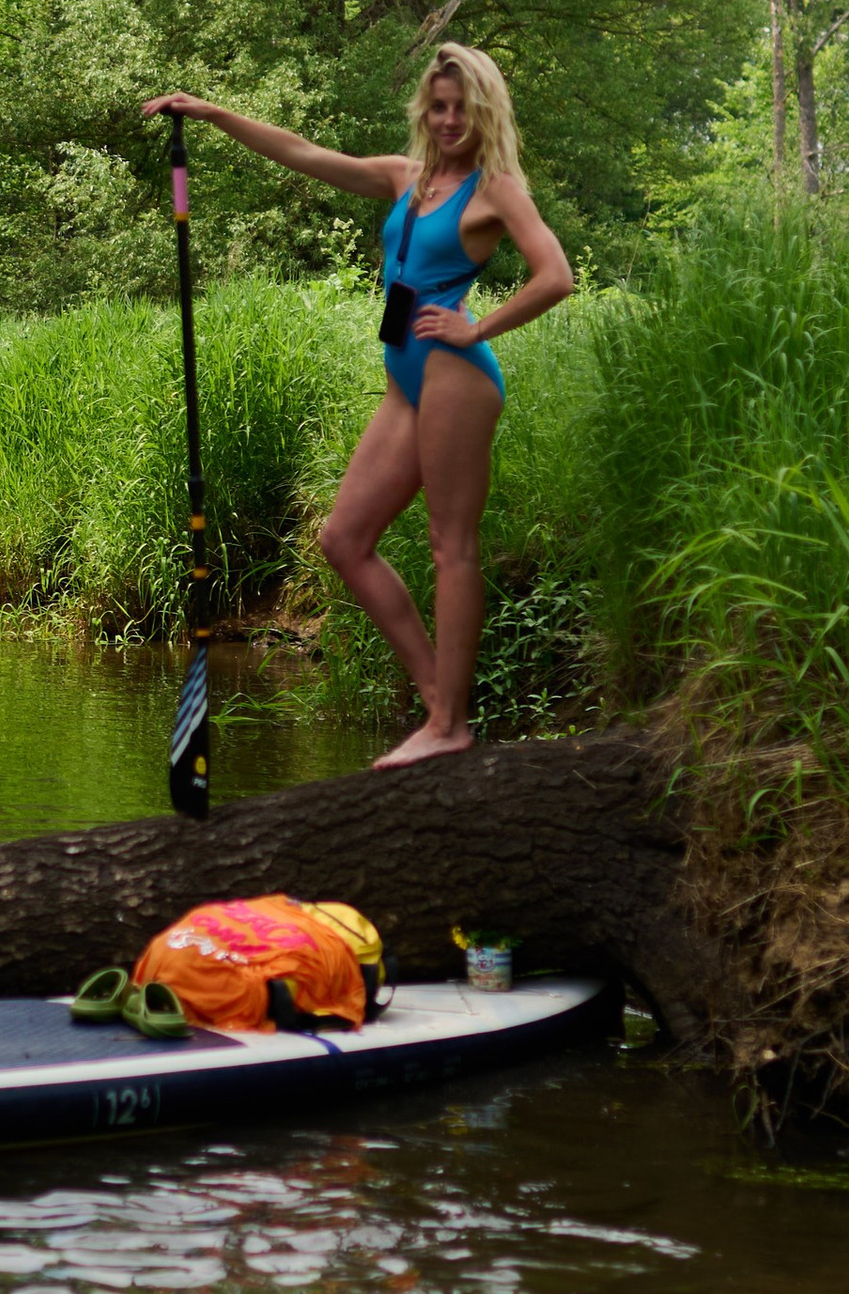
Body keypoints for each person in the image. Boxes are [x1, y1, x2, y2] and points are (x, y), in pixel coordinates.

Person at [144, 46, 574, 766]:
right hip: (406, 377)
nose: (445, 119)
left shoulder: (496, 188)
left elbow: (555, 275)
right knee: (342, 539)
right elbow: (305, 154)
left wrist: (477, 325)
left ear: (483, 111)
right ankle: (440, 702)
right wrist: (213, 114)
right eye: (436, 106)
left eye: (459, 108)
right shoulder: (405, 178)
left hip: (453, 373)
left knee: (450, 546)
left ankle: (448, 726)